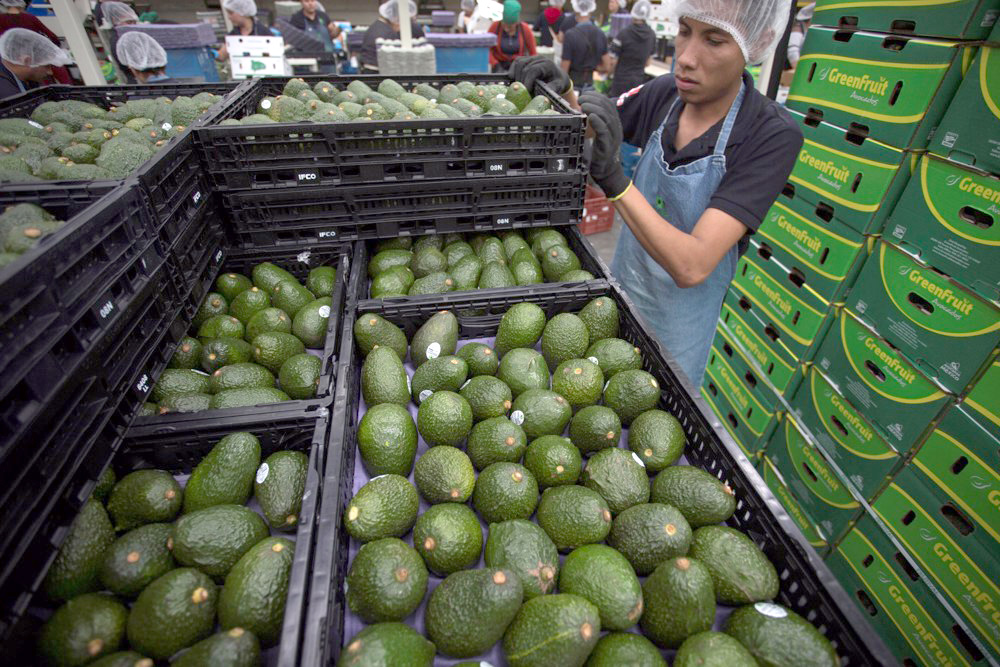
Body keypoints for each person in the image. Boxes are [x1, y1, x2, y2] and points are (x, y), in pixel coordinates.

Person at [576, 0, 802, 385]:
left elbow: (693, 265)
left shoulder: (770, 133)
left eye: (714, 40)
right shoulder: (665, 93)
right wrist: (560, 93)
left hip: (677, 332)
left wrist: (616, 183)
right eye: (684, 32)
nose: (686, 58)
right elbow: (596, 125)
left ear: (758, 42)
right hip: (619, 300)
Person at [0, 0, 71, 83]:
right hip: (38, 56)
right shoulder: (30, 18)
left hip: (12, 60)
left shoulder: (1, 19)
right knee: (61, 78)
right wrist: (52, 49)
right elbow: (52, 36)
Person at [0, 28, 71, 99]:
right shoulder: (5, 89)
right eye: (46, 66)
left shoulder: (29, 78)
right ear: (27, 61)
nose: (50, 72)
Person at [359, 0, 424, 72]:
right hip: (376, 72)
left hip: (367, 69)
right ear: (396, 18)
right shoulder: (388, 33)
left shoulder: (377, 25)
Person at [560, 0, 609, 93]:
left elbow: (564, 69)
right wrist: (594, 67)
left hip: (573, 86)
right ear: (591, 10)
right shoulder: (600, 33)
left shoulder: (570, 35)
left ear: (576, 10)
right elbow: (607, 66)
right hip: (590, 85)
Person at [608, 0, 654, 97]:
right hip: (638, 82)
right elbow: (648, 63)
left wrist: (609, 74)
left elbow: (613, 61)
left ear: (633, 12)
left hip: (620, 82)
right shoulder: (652, 35)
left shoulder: (623, 33)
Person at [488, 0, 536, 73]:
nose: (507, 29)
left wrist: (529, 67)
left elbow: (533, 53)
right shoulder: (495, 27)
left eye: (510, 26)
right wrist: (494, 63)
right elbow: (487, 49)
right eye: (505, 25)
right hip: (499, 66)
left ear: (517, 22)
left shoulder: (525, 29)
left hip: (519, 67)